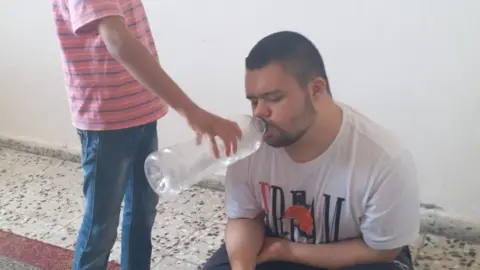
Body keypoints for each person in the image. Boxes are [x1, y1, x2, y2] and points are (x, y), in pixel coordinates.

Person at [203, 31, 420, 270]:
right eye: (254, 101)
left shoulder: (384, 159)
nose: (259, 113)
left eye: (273, 98)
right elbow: (244, 217)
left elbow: (382, 252)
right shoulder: (250, 145)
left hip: (356, 256)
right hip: (277, 242)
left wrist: (287, 250)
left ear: (316, 89)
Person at [51, 1, 242, 269]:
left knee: (142, 211)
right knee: (101, 225)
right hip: (107, 121)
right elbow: (118, 41)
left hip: (141, 110)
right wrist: (190, 110)